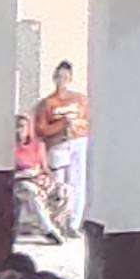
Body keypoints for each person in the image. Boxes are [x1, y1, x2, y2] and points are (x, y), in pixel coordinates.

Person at [33, 61, 90, 231]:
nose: (62, 80)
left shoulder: (80, 100)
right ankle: (57, 222)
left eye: (65, 77)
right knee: (58, 184)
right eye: (59, 77)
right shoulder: (48, 103)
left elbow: (88, 120)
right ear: (54, 78)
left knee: (77, 182)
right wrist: (60, 125)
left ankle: (73, 223)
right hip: (58, 145)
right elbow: (41, 129)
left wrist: (78, 128)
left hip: (78, 142)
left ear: (70, 79)